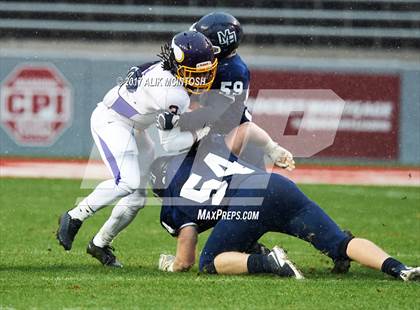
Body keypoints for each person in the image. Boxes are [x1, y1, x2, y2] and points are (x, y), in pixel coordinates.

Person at [151, 123, 420, 281]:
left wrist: (172, 265)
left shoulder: (172, 204)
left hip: (247, 204)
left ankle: (270, 262)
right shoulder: (206, 153)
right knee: (340, 242)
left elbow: (186, 256)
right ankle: (399, 268)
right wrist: (273, 149)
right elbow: (245, 130)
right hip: (275, 185)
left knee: (210, 263)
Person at [56, 31, 218, 267]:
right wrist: (202, 133)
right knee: (127, 182)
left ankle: (99, 244)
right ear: (177, 66)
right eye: (196, 74)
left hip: (135, 127)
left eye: (205, 73)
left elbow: (147, 68)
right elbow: (171, 144)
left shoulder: (167, 71)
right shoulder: (174, 95)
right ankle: (74, 216)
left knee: (136, 200)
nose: (201, 80)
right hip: (113, 121)